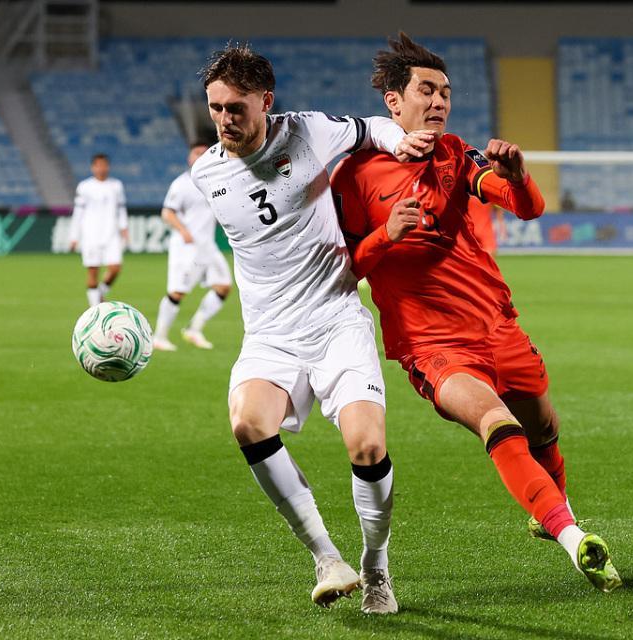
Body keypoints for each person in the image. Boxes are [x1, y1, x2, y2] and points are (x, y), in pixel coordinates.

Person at [330, 33, 621, 593]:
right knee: (496, 422)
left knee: (544, 428)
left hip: (496, 324)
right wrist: (386, 235)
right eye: (426, 90)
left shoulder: (453, 152)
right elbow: (343, 268)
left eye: (445, 92)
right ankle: (572, 535)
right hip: (431, 345)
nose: (439, 101)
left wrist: (518, 176)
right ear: (393, 102)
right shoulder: (353, 176)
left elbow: (527, 208)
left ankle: (551, 509)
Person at [190, 43, 433, 613]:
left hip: (335, 318)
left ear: (265, 101)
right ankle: (326, 557)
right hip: (270, 334)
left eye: (236, 108)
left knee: (367, 446)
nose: (224, 119)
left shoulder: (306, 132)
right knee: (248, 424)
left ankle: (376, 567)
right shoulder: (206, 173)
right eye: (216, 108)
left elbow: (370, 128)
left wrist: (399, 141)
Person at [153, 142, 232, 352]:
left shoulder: (214, 181)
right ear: (189, 157)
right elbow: (167, 213)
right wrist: (184, 231)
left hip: (207, 246)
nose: (200, 156)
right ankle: (159, 336)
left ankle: (194, 329)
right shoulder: (181, 184)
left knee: (223, 286)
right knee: (177, 292)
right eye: (196, 153)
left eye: (204, 153)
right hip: (186, 247)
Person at [68, 153, 129, 307]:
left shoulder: (116, 185)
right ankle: (94, 307)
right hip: (91, 235)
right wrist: (74, 236)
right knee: (93, 271)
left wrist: (124, 228)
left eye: (104, 165)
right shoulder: (84, 187)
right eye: (99, 165)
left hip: (111, 234)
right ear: (93, 167)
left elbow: (121, 209)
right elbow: (78, 213)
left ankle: (99, 294)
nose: (102, 168)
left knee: (115, 268)